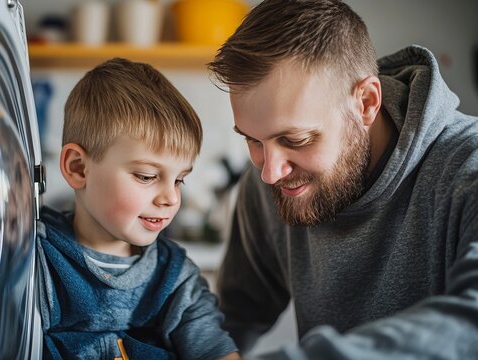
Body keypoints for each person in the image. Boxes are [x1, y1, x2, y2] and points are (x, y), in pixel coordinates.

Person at [208, 0, 478, 359]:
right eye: (252, 140)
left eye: (297, 140)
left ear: (366, 102)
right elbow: (227, 323)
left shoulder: (467, 170)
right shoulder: (269, 181)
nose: (270, 172)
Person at [36, 57, 240, 360]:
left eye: (180, 180)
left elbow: (215, 351)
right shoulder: (36, 260)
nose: (170, 197)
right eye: (147, 176)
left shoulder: (175, 279)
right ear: (78, 168)